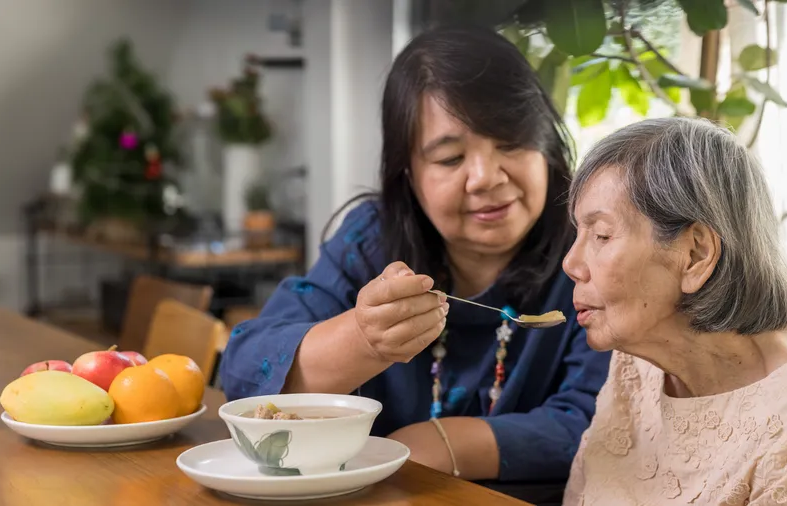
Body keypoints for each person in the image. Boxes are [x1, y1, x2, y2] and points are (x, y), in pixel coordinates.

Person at [218, 25, 612, 484]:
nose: (485, 177)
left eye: (510, 142)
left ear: (546, 144)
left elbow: (598, 419)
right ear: (408, 173)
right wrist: (363, 340)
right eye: (449, 159)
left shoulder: (592, 252)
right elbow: (245, 375)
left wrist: (437, 444)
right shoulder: (371, 240)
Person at [561, 117, 787, 505]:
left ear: (695, 255)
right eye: (579, 234)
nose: (571, 263)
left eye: (601, 235)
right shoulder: (638, 366)